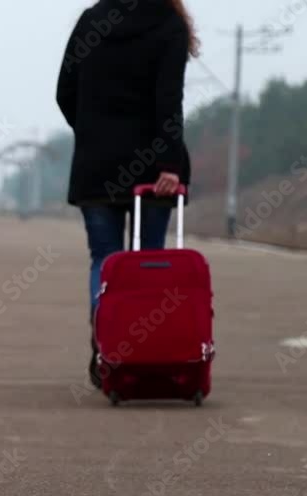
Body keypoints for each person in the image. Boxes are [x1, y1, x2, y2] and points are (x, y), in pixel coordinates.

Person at [55, 0, 199, 387]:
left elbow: (64, 91)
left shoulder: (91, 21)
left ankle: (106, 348)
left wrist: (92, 132)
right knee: (149, 257)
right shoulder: (168, 24)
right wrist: (168, 163)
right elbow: (169, 100)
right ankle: (145, 353)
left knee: (105, 258)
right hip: (154, 170)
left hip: (96, 165)